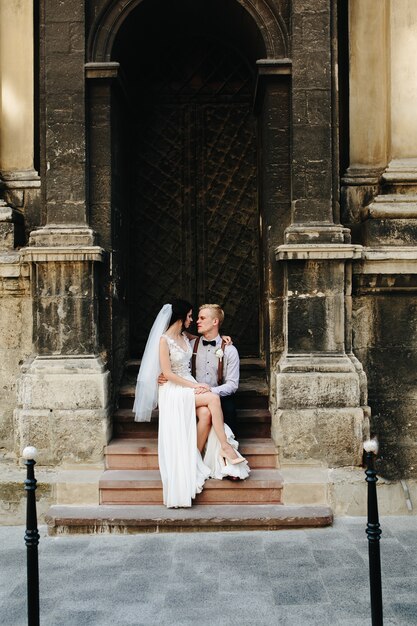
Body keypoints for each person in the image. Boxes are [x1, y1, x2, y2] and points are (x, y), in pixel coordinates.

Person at [133, 300, 249, 509]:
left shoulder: (188, 337)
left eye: (198, 317)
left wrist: (222, 338)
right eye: (189, 316)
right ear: (180, 317)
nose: (193, 320)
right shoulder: (163, 340)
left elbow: (208, 338)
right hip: (174, 388)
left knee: (205, 413)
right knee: (212, 399)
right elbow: (168, 373)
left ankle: (193, 459)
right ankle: (225, 447)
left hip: (188, 385)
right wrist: (193, 386)